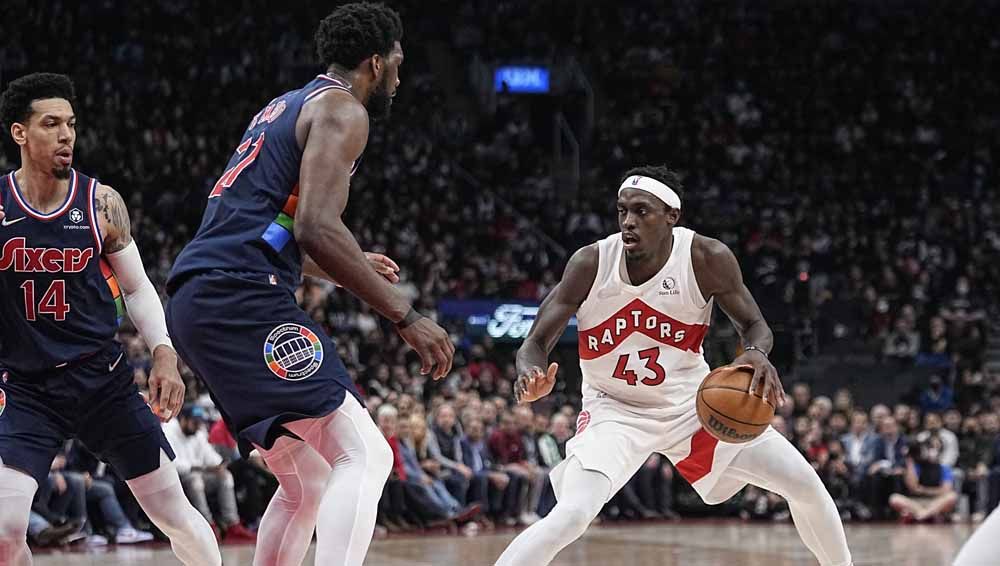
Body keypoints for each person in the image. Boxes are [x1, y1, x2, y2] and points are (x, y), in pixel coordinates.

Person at [164, 5, 455, 565]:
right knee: (366, 454)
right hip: (240, 291)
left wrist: (351, 261)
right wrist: (407, 315)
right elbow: (318, 228)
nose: (401, 71)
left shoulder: (283, 105)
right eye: (398, 59)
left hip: (201, 295)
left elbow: (281, 227)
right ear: (377, 60)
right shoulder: (345, 110)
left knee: (307, 481)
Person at [496, 166, 853, 566]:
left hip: (691, 406)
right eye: (622, 211)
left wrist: (756, 352)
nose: (629, 221)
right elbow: (534, 343)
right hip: (614, 410)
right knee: (573, 514)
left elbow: (755, 326)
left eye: (642, 212)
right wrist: (530, 375)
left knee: (804, 483)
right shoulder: (591, 263)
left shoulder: (705, 257)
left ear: (672, 216)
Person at [0, 73, 220, 566]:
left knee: (173, 514)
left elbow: (139, 287)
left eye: (71, 124)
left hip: (101, 380)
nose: (66, 136)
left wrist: (164, 352)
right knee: (4, 532)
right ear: (19, 133)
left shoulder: (100, 202)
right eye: (51, 123)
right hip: (26, 391)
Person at [163, 406, 257, 540]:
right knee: (195, 480)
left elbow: (210, 456)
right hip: (178, 479)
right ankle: (208, 524)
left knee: (225, 476)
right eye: (194, 422)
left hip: (200, 473)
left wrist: (218, 465)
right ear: (183, 419)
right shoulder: (169, 430)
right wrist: (203, 468)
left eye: (199, 422)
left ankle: (232, 524)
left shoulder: (198, 432)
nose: (198, 426)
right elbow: (174, 464)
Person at [888, 437, 958, 523]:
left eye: (936, 448)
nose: (932, 451)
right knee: (894, 498)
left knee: (952, 496)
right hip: (916, 502)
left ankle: (920, 515)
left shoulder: (944, 468)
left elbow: (945, 490)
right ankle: (929, 515)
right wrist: (910, 460)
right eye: (930, 447)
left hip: (936, 502)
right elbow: (913, 487)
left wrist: (923, 490)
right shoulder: (915, 466)